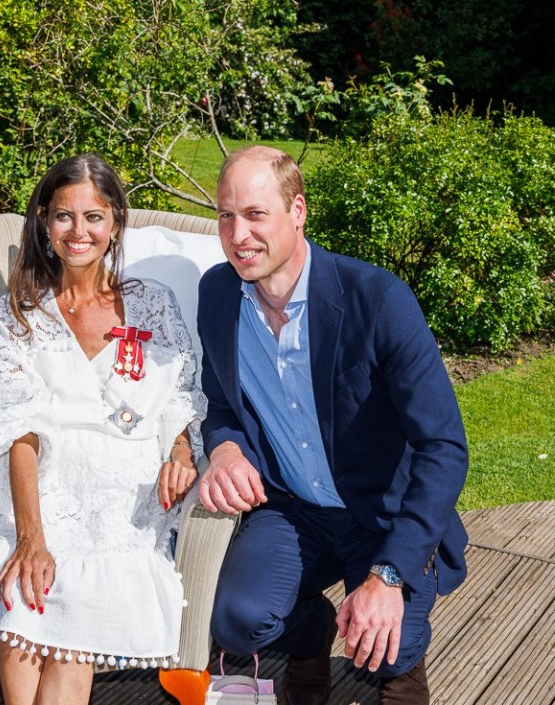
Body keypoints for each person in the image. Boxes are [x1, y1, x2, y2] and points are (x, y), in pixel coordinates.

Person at [0, 154, 207, 705]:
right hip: (41, 486)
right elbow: (16, 428)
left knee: (73, 613)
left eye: (94, 216)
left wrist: (182, 450)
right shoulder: (19, 312)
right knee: (26, 593)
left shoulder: (153, 304)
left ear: (116, 221)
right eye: (64, 217)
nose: (79, 232)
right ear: (44, 222)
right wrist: (31, 538)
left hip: (124, 490)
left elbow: (179, 397)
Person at [196, 146, 469, 705]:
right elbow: (221, 406)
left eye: (255, 214)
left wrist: (388, 576)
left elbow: (443, 445)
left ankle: (403, 664)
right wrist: (224, 449)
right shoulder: (217, 294)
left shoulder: (378, 298)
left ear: (297, 211)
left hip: (381, 515)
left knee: (385, 648)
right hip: (293, 509)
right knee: (236, 620)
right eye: (226, 215)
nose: (237, 234)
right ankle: (311, 633)